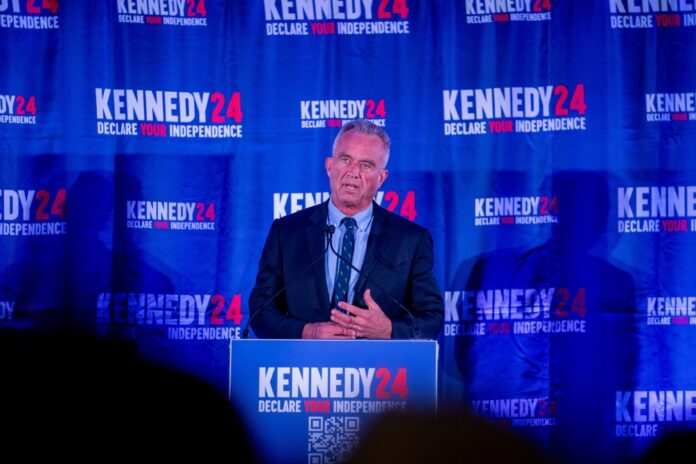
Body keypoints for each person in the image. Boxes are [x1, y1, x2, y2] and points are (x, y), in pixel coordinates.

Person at [248, 119, 444, 339]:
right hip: (301, 366)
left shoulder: (411, 240)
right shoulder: (286, 232)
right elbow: (260, 310)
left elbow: (432, 318)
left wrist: (388, 329)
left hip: (378, 369)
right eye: (345, 160)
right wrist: (308, 332)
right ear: (330, 166)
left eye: (366, 165)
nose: (353, 172)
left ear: (381, 178)